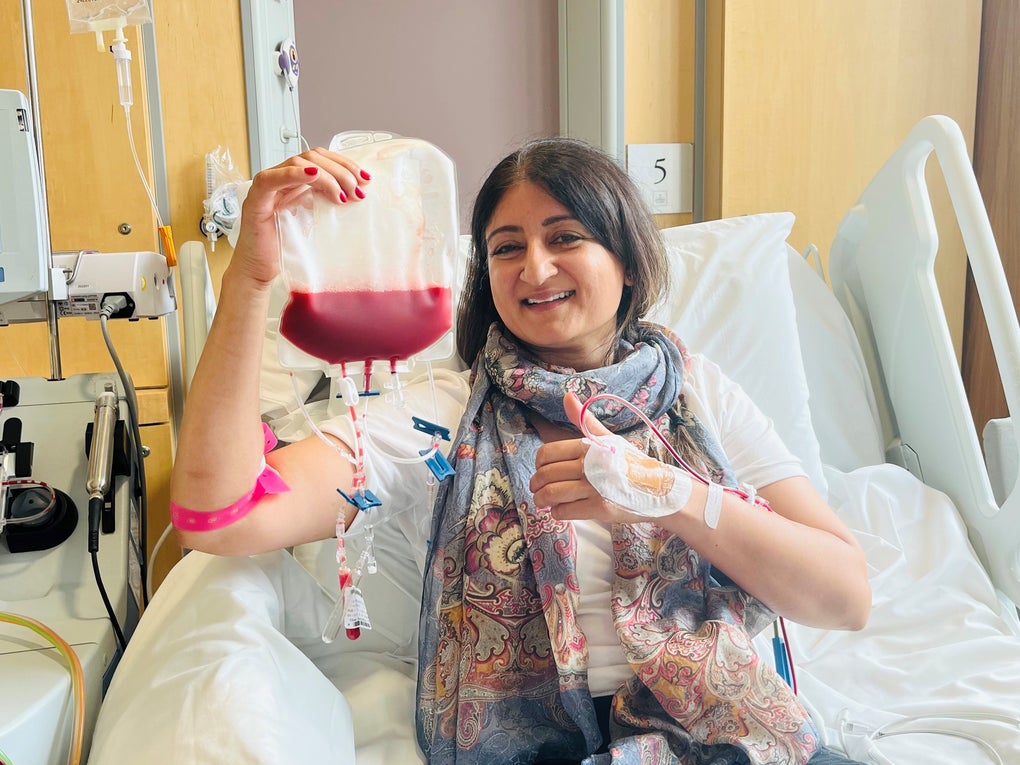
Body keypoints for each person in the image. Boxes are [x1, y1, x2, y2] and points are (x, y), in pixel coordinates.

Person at [170, 138, 871, 765]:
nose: (535, 267)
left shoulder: (699, 396)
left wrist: (673, 497)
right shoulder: (443, 415)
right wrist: (251, 279)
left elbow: (845, 595)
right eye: (507, 246)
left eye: (564, 236)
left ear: (626, 261)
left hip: (719, 727)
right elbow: (225, 513)